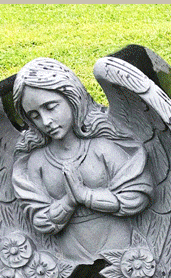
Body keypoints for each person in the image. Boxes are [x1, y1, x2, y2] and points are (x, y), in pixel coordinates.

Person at [11, 58, 154, 265]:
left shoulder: (101, 148)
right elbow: (40, 220)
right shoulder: (37, 163)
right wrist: (69, 201)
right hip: (71, 257)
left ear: (72, 98)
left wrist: (86, 196)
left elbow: (137, 196)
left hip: (122, 252)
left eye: (50, 107)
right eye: (34, 116)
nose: (46, 121)